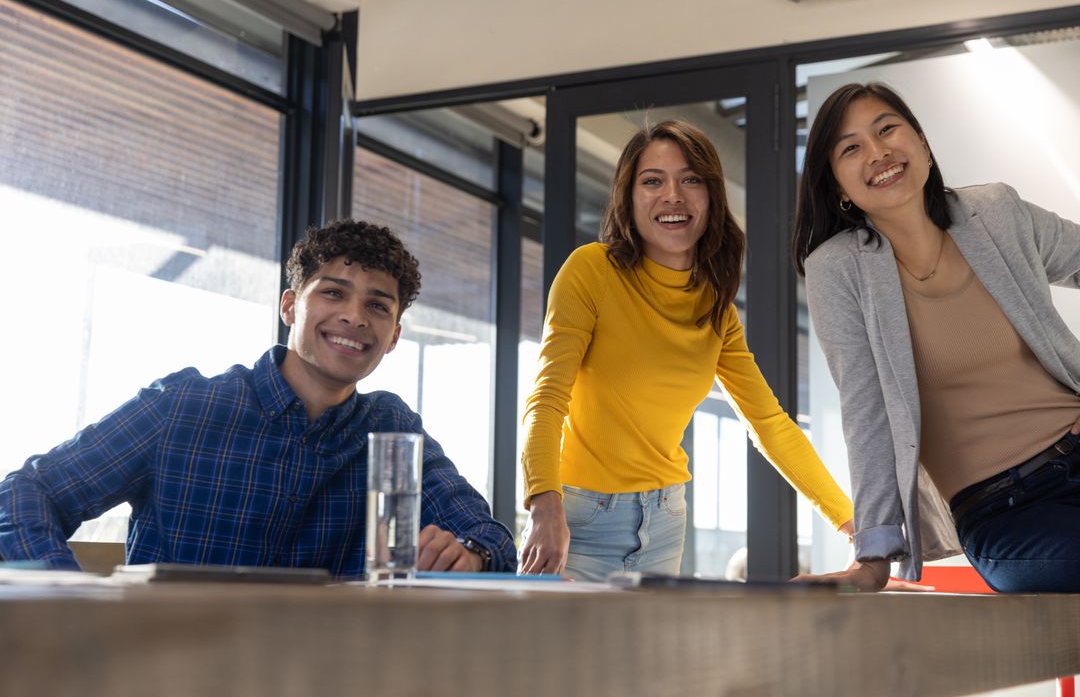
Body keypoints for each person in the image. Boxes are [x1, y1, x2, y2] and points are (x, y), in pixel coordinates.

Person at [0, 220, 515, 576]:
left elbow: (489, 536)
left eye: (377, 306)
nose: (356, 317)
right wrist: (71, 601)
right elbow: (26, 493)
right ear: (291, 307)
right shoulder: (182, 406)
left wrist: (467, 553)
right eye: (333, 293)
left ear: (395, 335)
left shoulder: (392, 427)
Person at [519, 119, 855, 581]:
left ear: (711, 197)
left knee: (649, 657)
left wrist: (850, 522)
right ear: (629, 197)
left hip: (665, 519)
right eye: (652, 181)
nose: (672, 195)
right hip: (577, 520)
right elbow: (547, 399)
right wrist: (543, 506)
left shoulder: (715, 309)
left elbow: (771, 425)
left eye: (690, 179)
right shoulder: (590, 271)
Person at [793, 82, 1080, 593]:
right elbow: (868, 415)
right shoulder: (837, 272)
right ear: (837, 185)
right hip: (1003, 512)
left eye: (887, 130)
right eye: (851, 147)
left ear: (922, 145)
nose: (878, 152)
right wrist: (874, 558)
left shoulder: (997, 212)